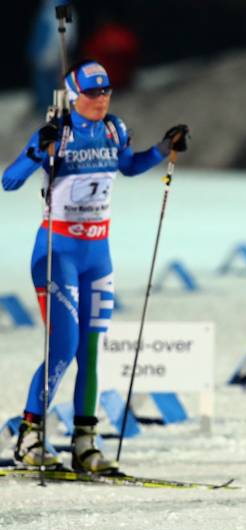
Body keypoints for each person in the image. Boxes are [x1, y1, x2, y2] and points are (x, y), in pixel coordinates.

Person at [2, 60, 188, 474]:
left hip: (97, 253)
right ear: (74, 96)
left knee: (90, 351)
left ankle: (85, 441)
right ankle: (29, 435)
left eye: (106, 92)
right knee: (63, 348)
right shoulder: (59, 132)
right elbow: (10, 181)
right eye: (92, 93)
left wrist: (162, 148)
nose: (101, 99)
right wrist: (38, 152)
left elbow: (128, 165)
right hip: (57, 251)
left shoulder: (113, 129)